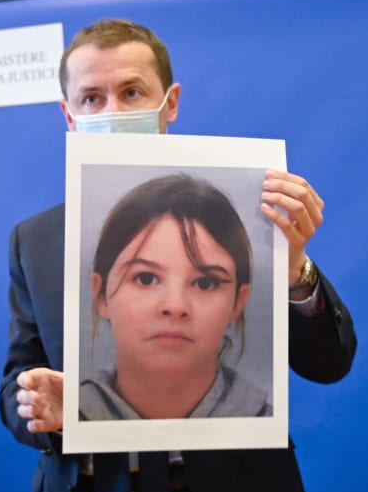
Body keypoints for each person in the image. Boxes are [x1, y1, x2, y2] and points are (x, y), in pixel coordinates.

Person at [0, 19, 356, 492]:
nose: (112, 112)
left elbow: (329, 362)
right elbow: (15, 382)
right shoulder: (34, 240)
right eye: (92, 98)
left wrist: (296, 266)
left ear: (170, 103)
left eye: (131, 92)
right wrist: (40, 410)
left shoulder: (252, 212)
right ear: (69, 115)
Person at [80, 174, 272, 421]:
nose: (175, 306)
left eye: (205, 283)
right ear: (101, 295)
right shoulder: (61, 422)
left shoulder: (268, 428)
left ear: (238, 302)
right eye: (146, 278)